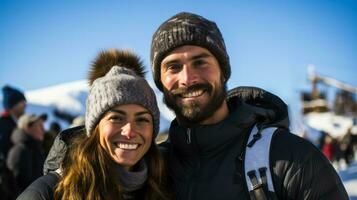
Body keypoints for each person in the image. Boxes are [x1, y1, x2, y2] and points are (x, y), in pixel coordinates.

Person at [150, 12, 348, 199]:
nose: (187, 78)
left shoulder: (292, 159)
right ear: (160, 82)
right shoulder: (151, 170)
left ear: (223, 72)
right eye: (173, 67)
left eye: (200, 62)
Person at [17, 49, 171, 200]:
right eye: (116, 118)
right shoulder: (47, 193)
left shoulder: (167, 185)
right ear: (95, 127)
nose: (129, 131)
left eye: (142, 119)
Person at [6, 113, 47, 193]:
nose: (44, 130)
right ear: (27, 128)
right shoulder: (20, 150)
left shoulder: (36, 149)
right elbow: (17, 187)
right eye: (39, 126)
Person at [0, 85, 27, 159]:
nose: (25, 105)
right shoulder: (3, 124)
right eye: (21, 102)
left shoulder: (17, 123)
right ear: (12, 105)